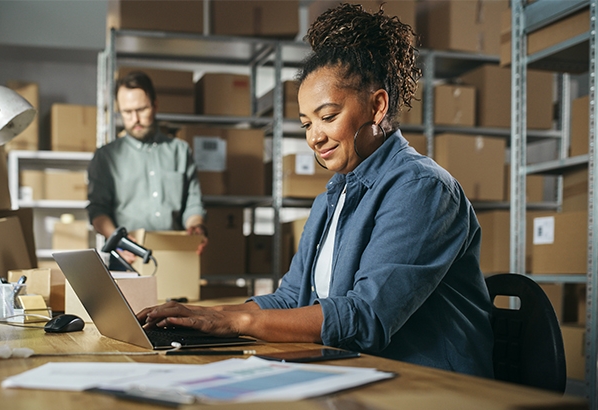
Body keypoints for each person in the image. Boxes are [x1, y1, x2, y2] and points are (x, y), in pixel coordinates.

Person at [137, 4, 494, 378]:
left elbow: (366, 317)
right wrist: (205, 315)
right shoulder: (332, 196)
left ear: (377, 106)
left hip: (432, 386)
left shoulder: (423, 188)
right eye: (306, 123)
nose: (314, 137)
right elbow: (292, 298)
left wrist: (236, 322)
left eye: (327, 117)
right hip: (359, 372)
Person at [87, 71, 207, 261]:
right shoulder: (106, 157)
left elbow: (193, 205)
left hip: (175, 255)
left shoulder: (180, 151)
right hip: (127, 258)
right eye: (127, 112)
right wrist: (118, 239)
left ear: (155, 105)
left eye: (141, 109)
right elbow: (97, 210)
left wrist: (195, 226)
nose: (135, 119)